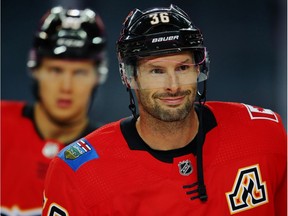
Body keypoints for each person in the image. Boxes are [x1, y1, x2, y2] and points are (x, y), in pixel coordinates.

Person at [42, 4, 286, 216]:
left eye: (182, 67)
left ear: (199, 68)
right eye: (156, 71)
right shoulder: (78, 174)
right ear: (130, 77)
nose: (173, 86)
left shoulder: (264, 133)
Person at [1, 6, 108, 216]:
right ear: (35, 69)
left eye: (79, 72)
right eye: (55, 70)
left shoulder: (108, 156)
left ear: (98, 76)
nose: (66, 86)